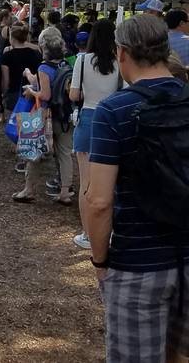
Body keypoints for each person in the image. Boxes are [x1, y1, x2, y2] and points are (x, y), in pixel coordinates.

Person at [82, 14, 189, 363]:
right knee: (176, 356)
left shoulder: (114, 111)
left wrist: (100, 259)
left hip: (138, 260)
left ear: (121, 54)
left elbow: (99, 200)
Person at [71, 19, 119, 249]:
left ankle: (88, 233)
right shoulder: (120, 62)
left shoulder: (82, 60)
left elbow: (74, 94)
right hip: (112, 120)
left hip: (89, 116)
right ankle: (107, 232)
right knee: (110, 182)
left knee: (86, 183)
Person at [14, 37, 71, 203]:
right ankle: (65, 191)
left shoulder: (44, 68)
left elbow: (45, 95)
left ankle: (29, 189)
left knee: (34, 150)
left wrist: (31, 92)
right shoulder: (66, 65)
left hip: (45, 114)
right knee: (65, 153)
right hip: (64, 114)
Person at [0, 26, 43, 119]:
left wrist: (4, 93)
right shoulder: (35, 53)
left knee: (14, 121)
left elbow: (6, 79)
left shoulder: (6, 56)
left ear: (12, 38)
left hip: (14, 91)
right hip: (32, 91)